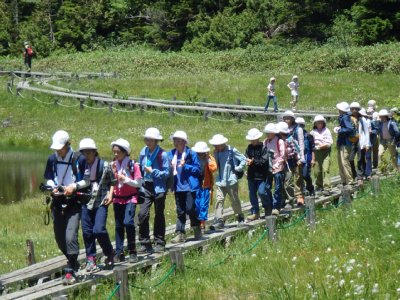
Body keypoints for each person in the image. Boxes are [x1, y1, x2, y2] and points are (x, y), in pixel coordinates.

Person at [44, 130, 84, 285]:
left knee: (70, 236)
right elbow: (48, 178)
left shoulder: (78, 159)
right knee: (60, 239)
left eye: (60, 147)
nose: (57, 151)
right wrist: (52, 186)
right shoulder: (52, 159)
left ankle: (71, 269)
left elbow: (85, 180)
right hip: (57, 202)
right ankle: (72, 261)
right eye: (56, 148)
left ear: (68, 144)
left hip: (74, 202)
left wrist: (73, 186)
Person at [75, 138, 116, 272]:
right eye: (84, 153)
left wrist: (111, 195)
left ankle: (109, 251)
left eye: (88, 152)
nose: (86, 156)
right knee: (87, 231)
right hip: (85, 201)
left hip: (101, 201)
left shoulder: (104, 165)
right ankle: (90, 259)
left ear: (94, 152)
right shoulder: (80, 165)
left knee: (98, 229)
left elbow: (113, 181)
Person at [137, 128, 170, 253]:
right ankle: (145, 242)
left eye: (150, 139)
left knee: (159, 214)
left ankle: (159, 241)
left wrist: (153, 172)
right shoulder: (143, 152)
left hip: (159, 188)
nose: (147, 141)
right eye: (146, 139)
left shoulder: (163, 154)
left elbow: (166, 173)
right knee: (142, 214)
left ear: (156, 141)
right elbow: (140, 167)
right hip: (146, 186)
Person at [110, 139, 142, 263]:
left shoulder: (133, 165)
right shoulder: (113, 165)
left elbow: (138, 184)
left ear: (125, 152)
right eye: (114, 152)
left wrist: (126, 180)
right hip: (117, 198)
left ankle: (132, 250)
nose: (116, 155)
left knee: (128, 222)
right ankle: (119, 252)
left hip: (131, 198)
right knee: (118, 226)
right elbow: (111, 182)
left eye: (118, 152)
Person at [169, 131, 202, 243]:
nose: (175, 143)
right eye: (174, 141)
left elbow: (198, 170)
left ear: (184, 142)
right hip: (178, 187)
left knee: (190, 208)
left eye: (178, 141)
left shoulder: (191, 154)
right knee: (180, 210)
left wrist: (186, 166)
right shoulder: (171, 154)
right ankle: (180, 233)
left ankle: (196, 226)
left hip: (189, 187)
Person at [209, 134, 246, 230]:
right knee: (219, 200)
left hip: (231, 181)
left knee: (235, 200)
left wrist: (238, 168)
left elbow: (243, 159)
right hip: (220, 181)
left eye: (217, 145)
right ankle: (219, 220)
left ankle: (240, 217)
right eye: (214, 145)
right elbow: (214, 165)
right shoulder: (215, 152)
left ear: (223, 143)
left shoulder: (232, 150)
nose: (215, 147)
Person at [192, 141, 217, 233]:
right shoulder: (193, 157)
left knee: (204, 204)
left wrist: (208, 159)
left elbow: (213, 168)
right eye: (199, 153)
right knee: (196, 204)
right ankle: (197, 222)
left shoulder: (209, 158)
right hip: (196, 184)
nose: (200, 155)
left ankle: (202, 224)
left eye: (202, 153)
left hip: (206, 184)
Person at [244, 128, 269, 221]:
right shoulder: (249, 148)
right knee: (252, 194)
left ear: (258, 139)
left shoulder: (263, 148)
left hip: (261, 175)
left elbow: (264, 161)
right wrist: (247, 162)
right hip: (251, 175)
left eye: (253, 139)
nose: (252, 141)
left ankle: (267, 208)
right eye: (251, 139)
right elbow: (245, 157)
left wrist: (253, 162)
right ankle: (255, 212)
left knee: (262, 192)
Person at [282, 111, 305, 206]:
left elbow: (301, 143)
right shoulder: (283, 128)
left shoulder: (298, 129)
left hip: (296, 155)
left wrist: (302, 157)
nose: (287, 119)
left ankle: (299, 196)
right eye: (285, 117)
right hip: (287, 157)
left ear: (292, 119)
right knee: (288, 178)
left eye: (289, 117)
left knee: (298, 176)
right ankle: (290, 198)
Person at [263, 123, 286, 215]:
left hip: (278, 168)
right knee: (267, 187)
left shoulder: (280, 141)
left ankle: (276, 206)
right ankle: (271, 204)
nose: (267, 134)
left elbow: (282, 155)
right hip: (268, 168)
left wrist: (276, 165)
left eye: (269, 133)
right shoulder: (265, 142)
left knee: (277, 187)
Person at [310, 115, 333, 196]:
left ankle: (327, 187)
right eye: (317, 122)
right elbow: (311, 144)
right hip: (316, 153)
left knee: (326, 169)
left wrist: (320, 146)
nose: (319, 123)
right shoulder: (312, 132)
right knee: (317, 170)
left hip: (325, 151)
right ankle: (319, 185)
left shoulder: (327, 130)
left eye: (321, 122)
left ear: (323, 123)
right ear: (315, 123)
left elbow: (329, 142)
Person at [334, 102, 355, 187]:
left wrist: (339, 130)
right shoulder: (343, 117)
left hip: (346, 143)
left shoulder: (345, 117)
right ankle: (344, 180)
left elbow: (349, 129)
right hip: (342, 142)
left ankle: (349, 180)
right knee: (341, 162)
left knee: (344, 162)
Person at [295, 117, 315, 197]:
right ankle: (301, 191)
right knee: (298, 176)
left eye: (301, 125)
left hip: (307, 157)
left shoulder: (309, 136)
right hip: (296, 157)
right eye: (298, 125)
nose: (300, 127)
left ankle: (310, 187)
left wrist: (313, 159)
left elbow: (312, 148)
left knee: (305, 174)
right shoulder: (294, 135)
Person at [357, 108, 372, 182]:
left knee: (366, 158)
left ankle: (367, 173)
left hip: (364, 142)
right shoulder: (357, 120)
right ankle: (362, 174)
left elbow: (367, 133)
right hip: (359, 142)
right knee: (361, 158)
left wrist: (367, 143)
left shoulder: (364, 121)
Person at [349, 102, 362, 181]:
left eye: (355, 109)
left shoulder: (361, 118)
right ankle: (354, 173)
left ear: (358, 109)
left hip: (360, 140)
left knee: (360, 158)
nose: (354, 110)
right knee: (350, 158)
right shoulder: (348, 117)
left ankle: (359, 174)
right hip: (351, 140)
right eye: (352, 109)